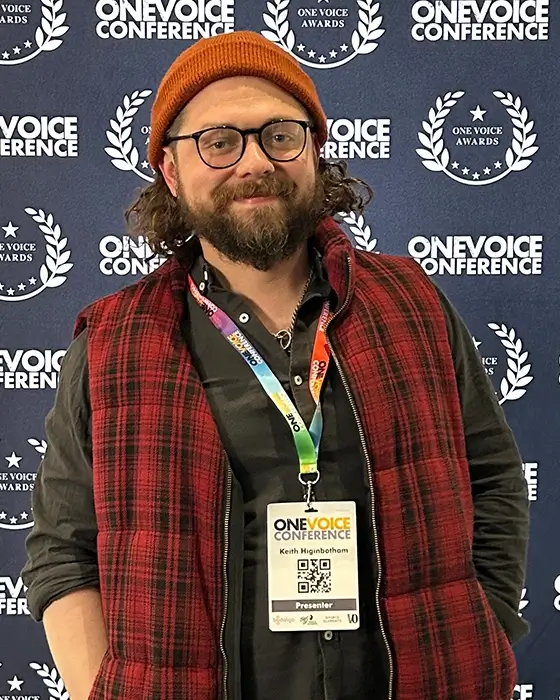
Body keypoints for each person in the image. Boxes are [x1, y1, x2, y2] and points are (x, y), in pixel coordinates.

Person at [21, 30, 529, 700]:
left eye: (279, 136)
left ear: (314, 151)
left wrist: (477, 629)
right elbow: (63, 549)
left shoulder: (412, 301)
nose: (253, 161)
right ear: (171, 171)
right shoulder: (113, 340)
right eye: (219, 141)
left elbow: (493, 480)